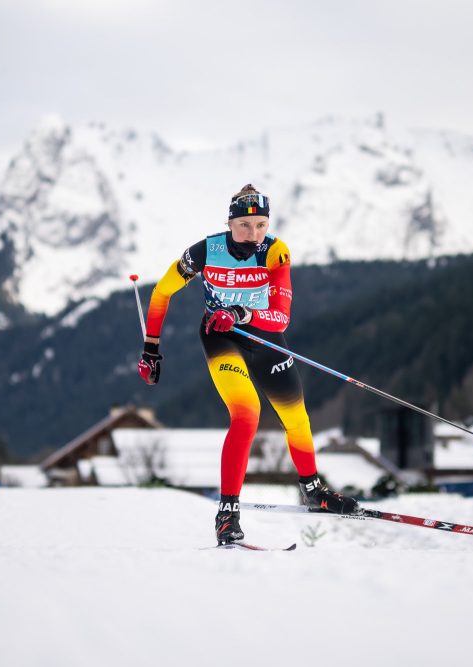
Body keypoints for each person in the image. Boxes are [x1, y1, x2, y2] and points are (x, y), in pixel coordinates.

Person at [138, 184, 362, 545]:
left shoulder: (276, 252)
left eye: (261, 225)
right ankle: (227, 513)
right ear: (230, 224)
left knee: (297, 419)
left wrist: (240, 312)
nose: (253, 234)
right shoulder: (204, 252)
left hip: (263, 334)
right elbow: (162, 292)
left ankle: (313, 490)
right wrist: (151, 349)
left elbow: (281, 318)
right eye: (244, 225)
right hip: (220, 336)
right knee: (247, 415)